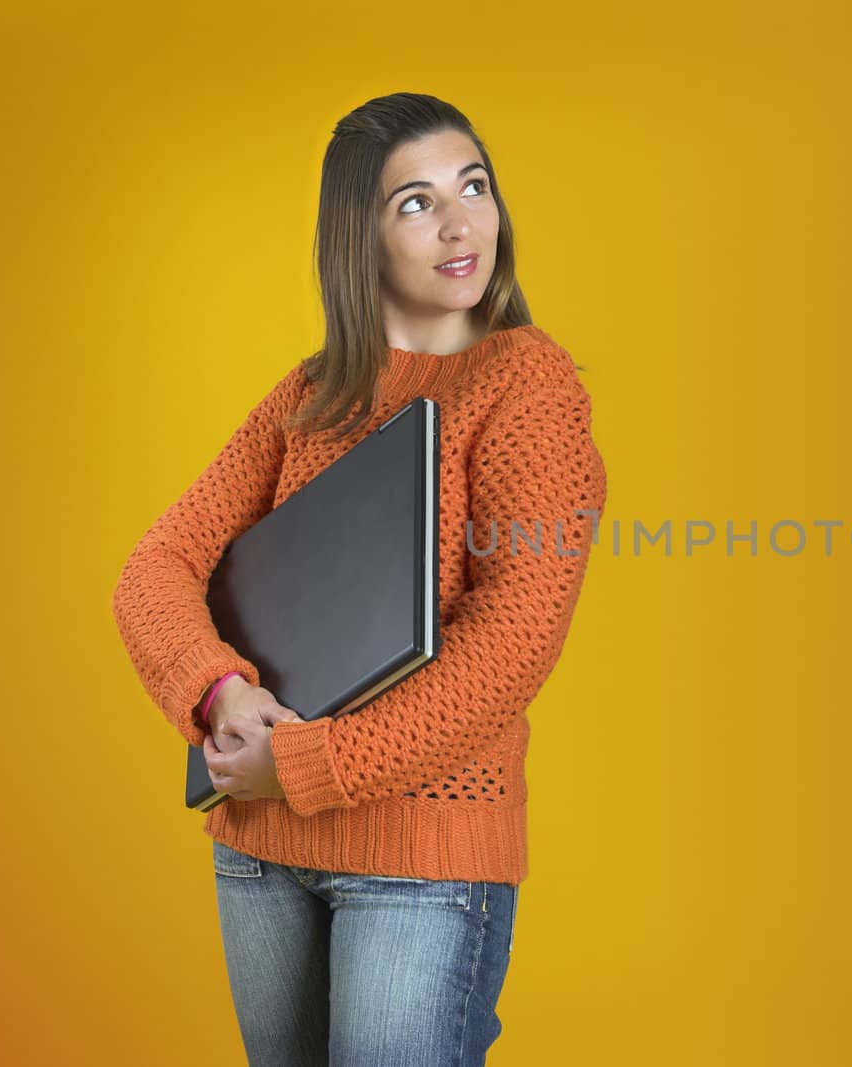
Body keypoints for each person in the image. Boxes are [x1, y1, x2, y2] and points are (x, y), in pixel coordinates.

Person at [110, 92, 607, 1066]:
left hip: (417, 861)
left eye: (473, 185)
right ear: (359, 236)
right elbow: (156, 565)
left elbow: (513, 639)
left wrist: (302, 764)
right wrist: (220, 691)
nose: (462, 222)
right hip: (259, 849)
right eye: (415, 202)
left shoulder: (525, 385)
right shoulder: (312, 392)